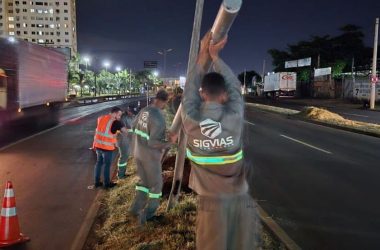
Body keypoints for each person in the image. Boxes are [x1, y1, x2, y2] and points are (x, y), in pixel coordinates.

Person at [176, 32, 259, 249]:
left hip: (211, 205)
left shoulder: (191, 119)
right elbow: (234, 86)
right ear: (225, 96)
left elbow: (190, 89)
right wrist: (215, 57)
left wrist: (204, 54)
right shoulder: (234, 116)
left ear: (203, 94)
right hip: (241, 201)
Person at [129, 89, 173, 224]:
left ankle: (135, 209)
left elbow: (133, 126)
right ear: (165, 101)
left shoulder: (145, 110)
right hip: (150, 157)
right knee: (156, 186)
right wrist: (170, 142)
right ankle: (148, 216)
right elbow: (153, 143)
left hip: (137, 153)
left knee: (144, 183)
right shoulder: (159, 119)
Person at [93, 107, 129, 189]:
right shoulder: (116, 122)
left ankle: (97, 182)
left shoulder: (101, 118)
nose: (120, 117)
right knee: (107, 165)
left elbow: (103, 130)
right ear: (114, 113)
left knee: (99, 163)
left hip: (98, 145)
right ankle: (106, 184)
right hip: (107, 147)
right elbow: (125, 132)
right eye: (119, 115)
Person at [116, 106, 135, 179]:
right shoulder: (123, 118)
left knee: (126, 156)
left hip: (128, 139)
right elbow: (124, 130)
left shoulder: (132, 116)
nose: (132, 114)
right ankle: (120, 175)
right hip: (123, 139)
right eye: (131, 112)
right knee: (124, 157)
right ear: (128, 111)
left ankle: (122, 173)